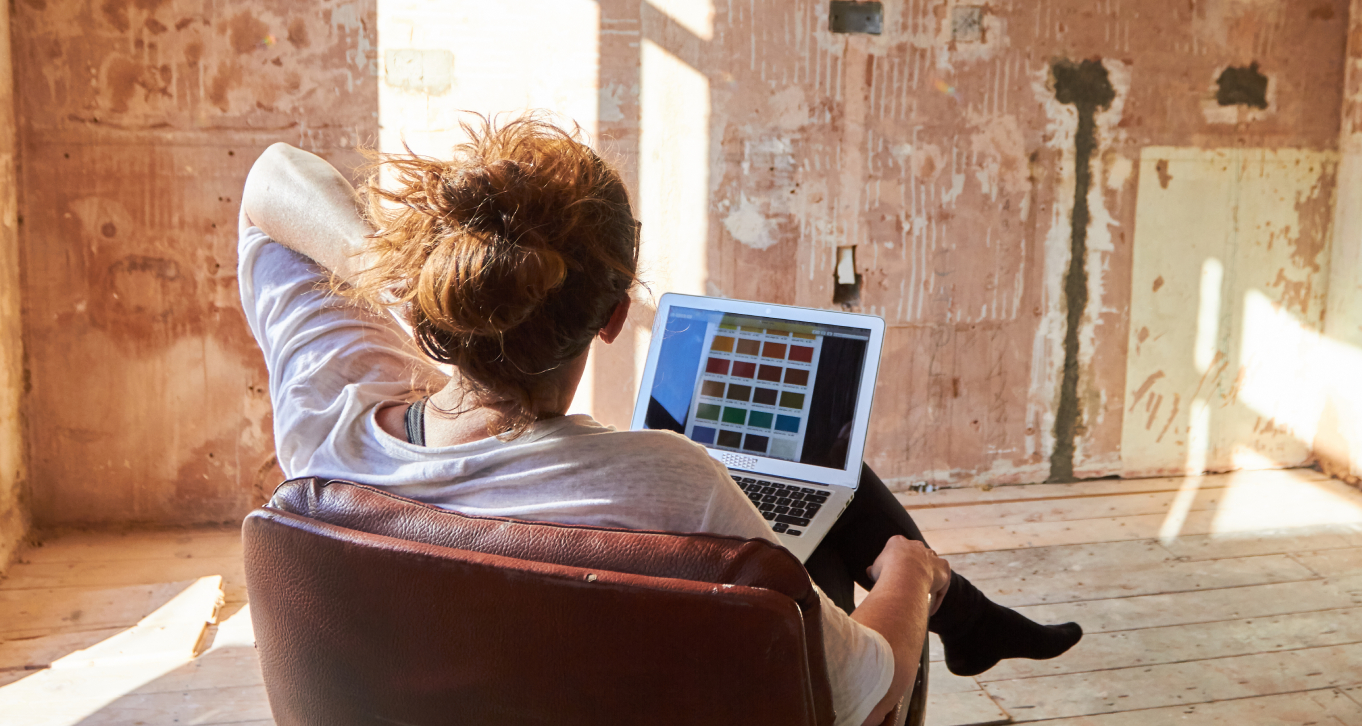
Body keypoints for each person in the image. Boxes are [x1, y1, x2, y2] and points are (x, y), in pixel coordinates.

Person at [237, 114, 1081, 726]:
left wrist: (403, 283)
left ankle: (976, 624)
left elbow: (271, 179)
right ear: (610, 320)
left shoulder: (327, 423)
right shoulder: (669, 481)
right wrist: (908, 576)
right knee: (840, 515)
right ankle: (958, 610)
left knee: (830, 487)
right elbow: (871, 686)